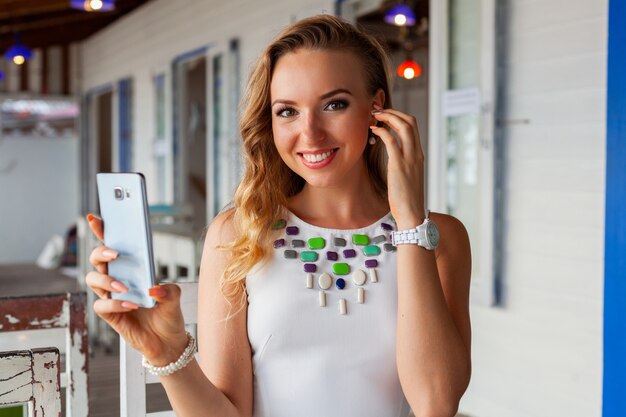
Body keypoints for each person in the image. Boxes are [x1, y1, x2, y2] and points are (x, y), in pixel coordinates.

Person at [86, 14, 472, 417]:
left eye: (334, 104)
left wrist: (409, 222)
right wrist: (165, 352)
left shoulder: (440, 238)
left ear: (376, 108)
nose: (310, 134)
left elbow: (436, 402)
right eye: (287, 111)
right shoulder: (237, 234)